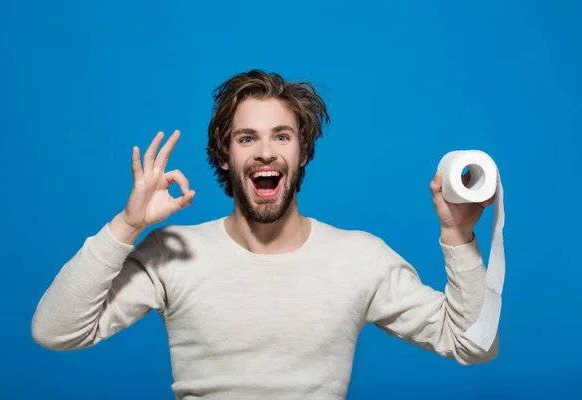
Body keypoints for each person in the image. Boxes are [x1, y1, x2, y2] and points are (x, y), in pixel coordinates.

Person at [31, 69, 499, 399]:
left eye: (282, 136)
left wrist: (458, 237)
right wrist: (128, 225)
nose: (265, 152)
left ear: (303, 153)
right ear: (224, 156)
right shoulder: (172, 254)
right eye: (246, 138)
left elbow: (472, 344)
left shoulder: (360, 259)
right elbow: (55, 332)